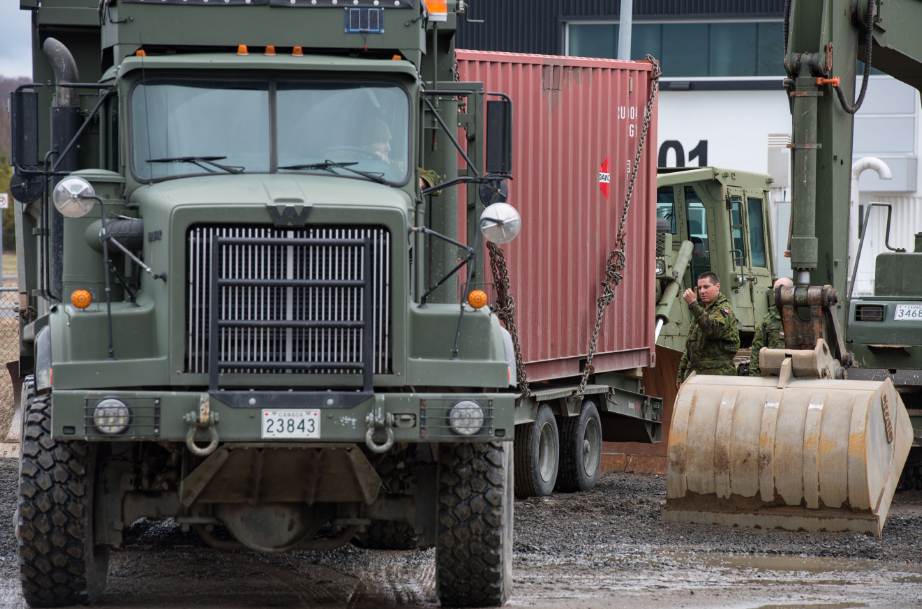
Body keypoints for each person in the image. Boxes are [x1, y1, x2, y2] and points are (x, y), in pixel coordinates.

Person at [676, 271, 740, 389]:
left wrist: (693, 304)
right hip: (697, 376)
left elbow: (712, 330)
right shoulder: (701, 310)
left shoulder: (723, 309)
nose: (702, 291)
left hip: (717, 378)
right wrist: (681, 375)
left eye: (706, 287)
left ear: (717, 287)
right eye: (700, 288)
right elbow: (691, 346)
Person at [749, 277, 794, 376]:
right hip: (773, 375)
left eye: (781, 290)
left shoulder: (801, 316)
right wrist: (754, 377)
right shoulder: (768, 319)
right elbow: (757, 350)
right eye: (774, 291)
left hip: (797, 374)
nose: (777, 294)